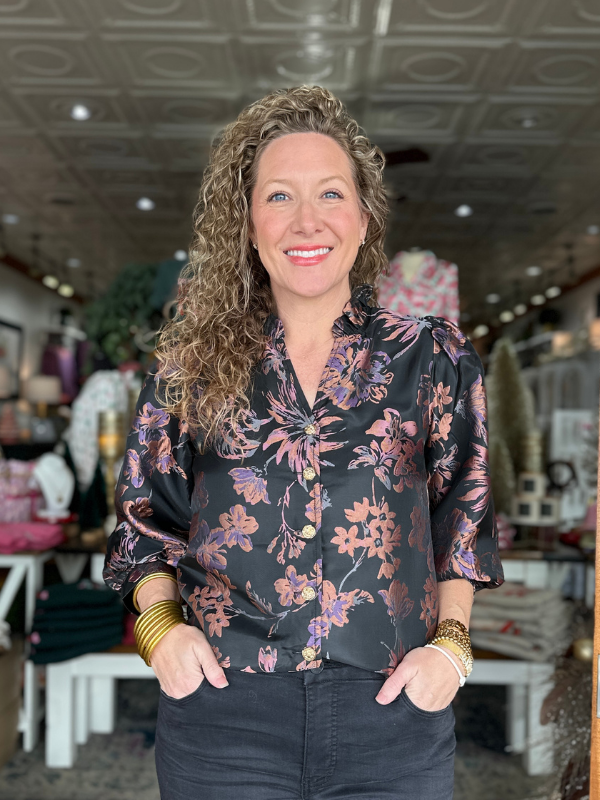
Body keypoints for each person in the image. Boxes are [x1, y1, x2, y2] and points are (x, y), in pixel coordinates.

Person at [103, 85, 504, 800]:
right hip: (224, 714)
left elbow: (463, 517)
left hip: (393, 713)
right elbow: (144, 523)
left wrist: (453, 647)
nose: (307, 220)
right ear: (248, 221)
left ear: (363, 216)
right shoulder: (189, 367)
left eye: (331, 193)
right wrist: (162, 631)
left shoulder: (433, 357)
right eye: (280, 196)